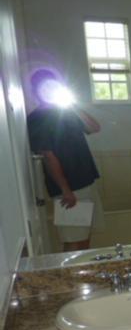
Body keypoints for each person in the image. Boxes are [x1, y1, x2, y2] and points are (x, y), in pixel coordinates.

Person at [26, 69, 104, 252]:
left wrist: (72, 105)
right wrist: (65, 190)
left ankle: (83, 270)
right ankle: (72, 271)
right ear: (36, 91)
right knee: (72, 240)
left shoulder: (67, 112)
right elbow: (48, 155)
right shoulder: (37, 118)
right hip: (69, 188)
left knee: (84, 236)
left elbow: (94, 127)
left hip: (86, 182)